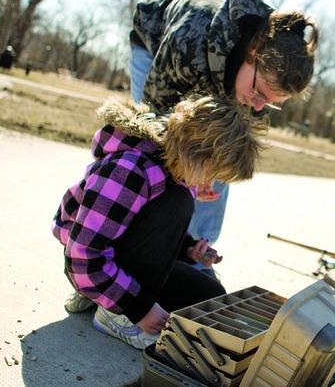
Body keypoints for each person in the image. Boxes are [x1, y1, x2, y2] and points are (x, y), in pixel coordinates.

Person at [52, 96, 266, 349]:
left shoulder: (172, 167)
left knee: (211, 297)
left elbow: (143, 228)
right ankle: (113, 315)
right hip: (89, 265)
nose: (211, 184)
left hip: (121, 260)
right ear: (195, 154)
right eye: (212, 174)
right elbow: (83, 257)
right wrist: (140, 309)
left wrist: (186, 248)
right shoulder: (129, 169)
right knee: (180, 202)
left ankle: (104, 297)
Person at [129, 0, 318, 246]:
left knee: (221, 152)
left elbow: (234, 148)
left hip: (221, 70)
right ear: (253, 54)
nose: (259, 106)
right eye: (259, 93)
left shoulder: (259, 79)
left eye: (271, 103)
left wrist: (207, 176)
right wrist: (188, 175)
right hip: (155, 41)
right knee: (148, 148)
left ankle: (198, 248)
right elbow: (154, 118)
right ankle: (136, 237)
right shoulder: (189, 39)